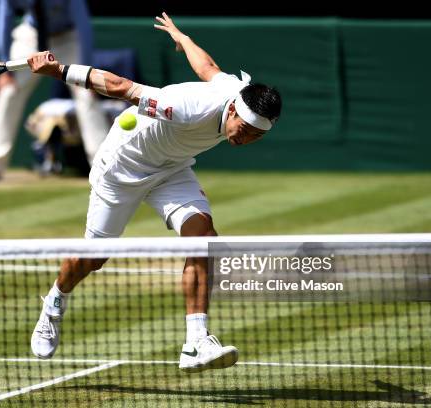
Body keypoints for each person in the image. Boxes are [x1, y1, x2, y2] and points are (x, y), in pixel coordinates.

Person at [28, 13, 282, 372]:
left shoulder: (234, 93)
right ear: (234, 110)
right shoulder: (183, 108)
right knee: (94, 258)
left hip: (171, 169)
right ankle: (54, 302)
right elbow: (118, 85)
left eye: (257, 136)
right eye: (244, 129)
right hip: (121, 169)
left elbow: (208, 67)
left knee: (203, 239)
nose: (245, 138)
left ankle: (196, 342)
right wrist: (58, 71)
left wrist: (183, 38)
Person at [0, 0, 108, 184]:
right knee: (8, 91)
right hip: (31, 36)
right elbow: (4, 18)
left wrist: (87, 70)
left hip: (68, 37)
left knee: (86, 95)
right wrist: (4, 62)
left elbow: (83, 24)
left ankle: (104, 165)